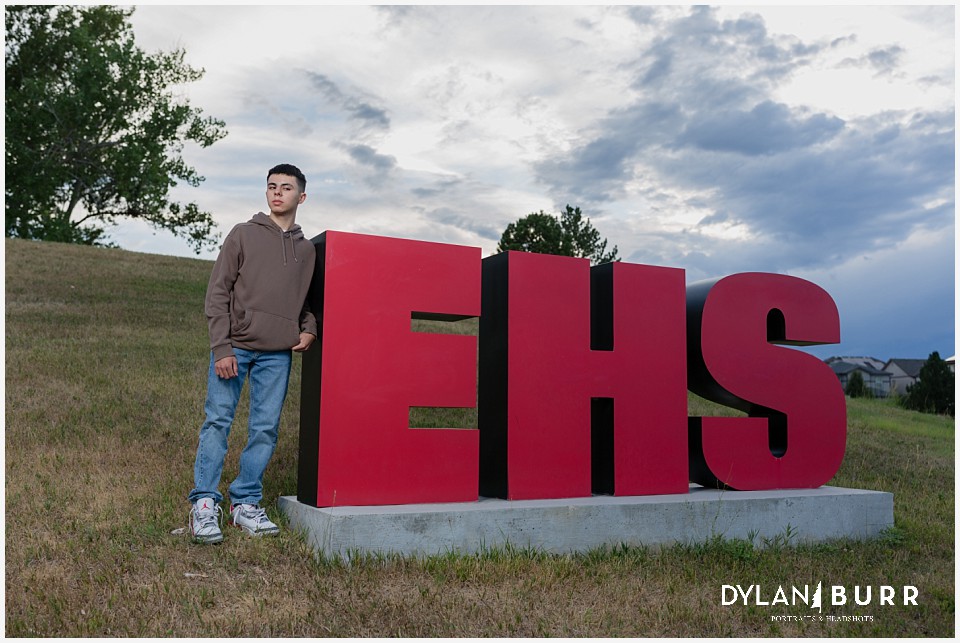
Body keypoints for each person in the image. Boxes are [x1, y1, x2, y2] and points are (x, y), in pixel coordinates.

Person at [188, 163, 317, 544]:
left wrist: (309, 328)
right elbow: (217, 294)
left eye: (286, 188)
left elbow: (306, 300)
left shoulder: (306, 250)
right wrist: (222, 347)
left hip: (277, 355)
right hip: (236, 349)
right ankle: (205, 504)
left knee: (264, 429)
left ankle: (244, 502)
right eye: (272, 186)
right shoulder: (243, 235)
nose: (278, 193)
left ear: (301, 197)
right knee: (218, 422)